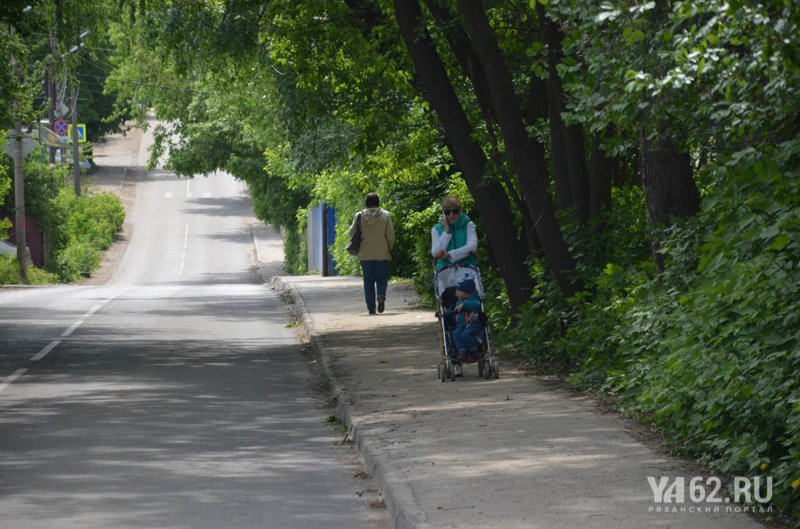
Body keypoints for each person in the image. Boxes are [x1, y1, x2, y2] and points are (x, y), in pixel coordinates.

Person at [349, 192, 395, 315]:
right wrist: (390, 247)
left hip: (365, 253)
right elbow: (390, 235)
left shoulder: (359, 216)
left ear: (366, 203)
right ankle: (381, 295)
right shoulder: (385, 216)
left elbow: (351, 232)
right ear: (378, 202)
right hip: (382, 252)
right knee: (382, 277)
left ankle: (371, 308)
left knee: (368, 280)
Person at [430, 196, 477, 271]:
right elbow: (436, 253)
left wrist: (450, 254)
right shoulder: (436, 229)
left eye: (455, 211)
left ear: (460, 210)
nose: (451, 215)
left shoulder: (468, 224)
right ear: (443, 213)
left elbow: (472, 247)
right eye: (447, 212)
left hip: (468, 270)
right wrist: (446, 232)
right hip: (445, 272)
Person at [449, 277, 483, 366]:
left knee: (465, 335)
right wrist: (448, 313)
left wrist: (464, 305)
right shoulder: (459, 300)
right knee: (455, 333)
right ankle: (462, 351)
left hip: (472, 324)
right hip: (461, 324)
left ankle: (474, 351)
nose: (456, 293)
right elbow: (454, 310)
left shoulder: (474, 299)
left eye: (458, 291)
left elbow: (476, 306)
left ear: (466, 292)